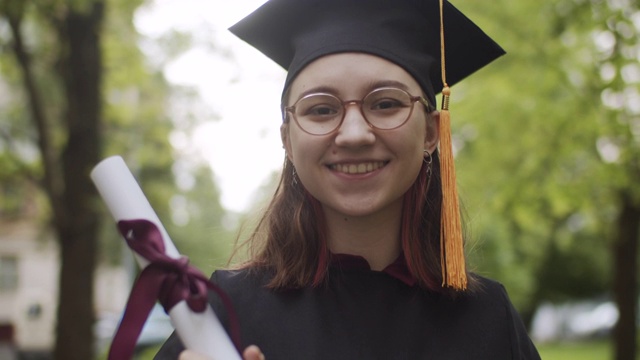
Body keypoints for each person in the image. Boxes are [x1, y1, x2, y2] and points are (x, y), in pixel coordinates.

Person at [156, 0, 541, 359]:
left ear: (431, 132)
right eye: (321, 109)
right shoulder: (223, 319)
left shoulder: (489, 321)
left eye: (386, 103)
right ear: (287, 139)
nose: (354, 134)